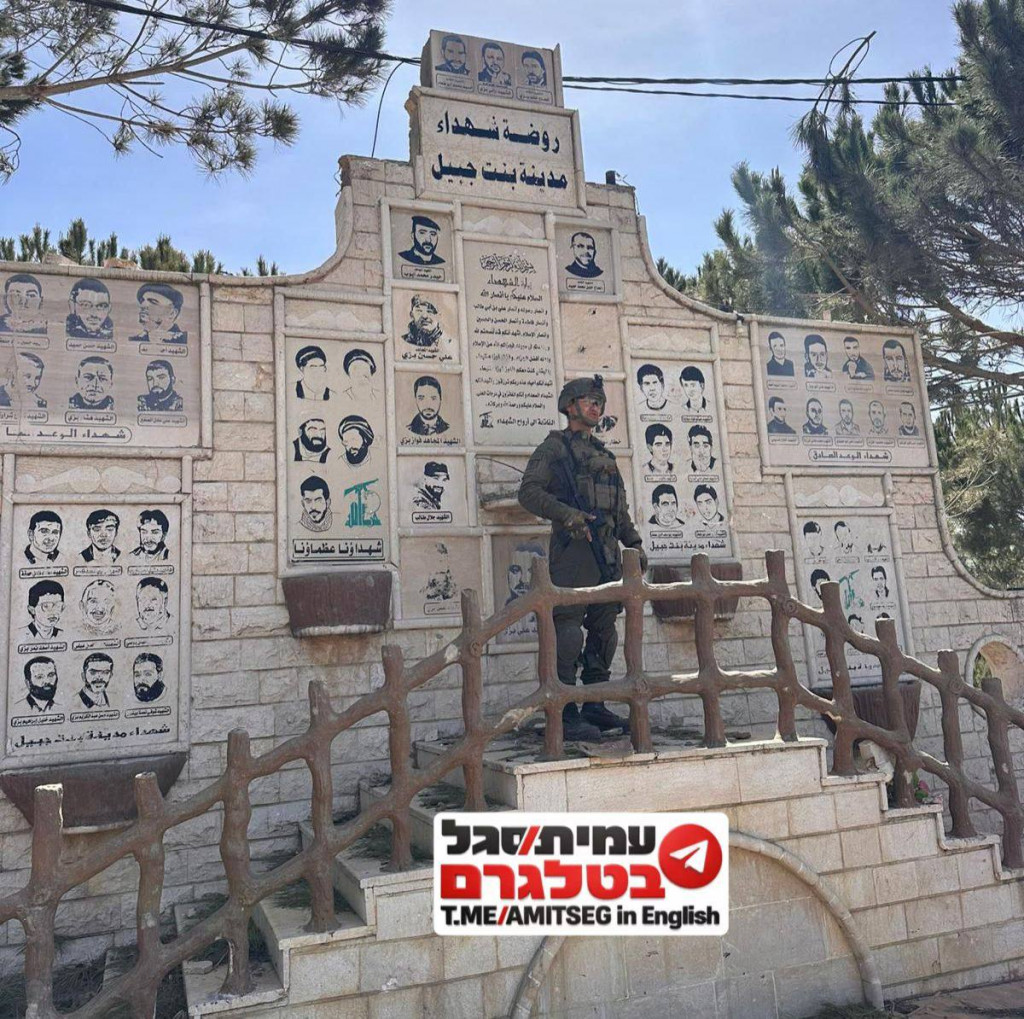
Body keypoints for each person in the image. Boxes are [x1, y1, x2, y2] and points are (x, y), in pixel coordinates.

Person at [518, 375, 645, 740]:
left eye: (599, 402)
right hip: (573, 552)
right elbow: (529, 492)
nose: (596, 407)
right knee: (569, 631)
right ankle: (564, 709)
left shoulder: (605, 456)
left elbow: (619, 511)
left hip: (606, 554)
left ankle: (594, 703)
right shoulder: (554, 448)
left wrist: (634, 543)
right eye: (589, 400)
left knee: (605, 630)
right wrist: (567, 514)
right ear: (570, 406)